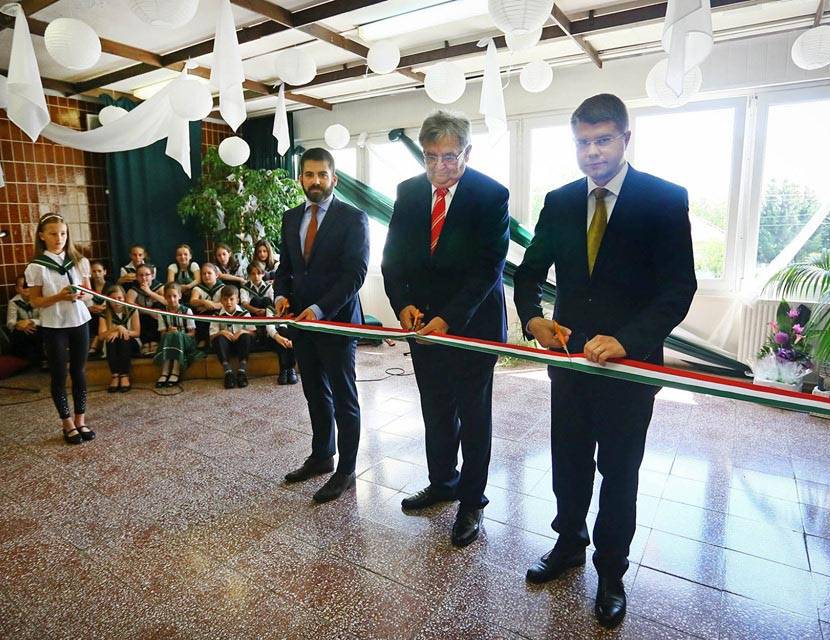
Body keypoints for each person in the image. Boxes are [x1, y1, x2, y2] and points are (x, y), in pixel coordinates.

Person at [513, 94, 697, 629]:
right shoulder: (560, 201)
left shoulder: (663, 200)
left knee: (618, 472)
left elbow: (678, 289)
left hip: (629, 371)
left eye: (602, 140)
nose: (592, 152)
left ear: (625, 139)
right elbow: (528, 274)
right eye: (582, 142)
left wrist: (627, 340)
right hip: (569, 363)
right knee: (568, 463)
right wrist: (533, 319)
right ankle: (569, 543)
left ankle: (611, 571)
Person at [381, 110, 509, 547]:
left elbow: (488, 269)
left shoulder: (491, 195)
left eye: (450, 157)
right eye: (431, 157)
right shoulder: (408, 191)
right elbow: (393, 257)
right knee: (435, 409)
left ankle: (471, 500)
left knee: (473, 416)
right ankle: (442, 483)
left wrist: (449, 318)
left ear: (467, 152)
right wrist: (402, 303)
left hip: (473, 326)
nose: (440, 166)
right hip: (423, 326)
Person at [276, 147, 369, 504]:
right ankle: (321, 456)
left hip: (337, 322)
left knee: (344, 398)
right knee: (314, 391)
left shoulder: (353, 218)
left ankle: (346, 470)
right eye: (309, 174)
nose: (315, 181)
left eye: (322, 175)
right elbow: (286, 268)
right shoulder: (290, 217)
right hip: (301, 324)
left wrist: (319, 309)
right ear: (300, 178)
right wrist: (281, 295)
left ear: (334, 179)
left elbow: (355, 275)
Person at [24, 213, 95, 445]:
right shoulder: (37, 267)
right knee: (59, 374)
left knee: (79, 371)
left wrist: (82, 295)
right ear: (42, 236)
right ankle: (67, 423)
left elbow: (90, 293)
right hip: (54, 325)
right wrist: (59, 296)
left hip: (79, 321)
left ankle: (80, 419)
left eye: (63, 233)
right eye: (53, 234)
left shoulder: (79, 261)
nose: (59, 238)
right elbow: (35, 301)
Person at [209, 285, 254, 389]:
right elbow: (211, 337)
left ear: (237, 300)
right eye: (225, 299)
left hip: (240, 346)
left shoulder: (244, 313)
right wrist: (221, 332)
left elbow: (253, 333)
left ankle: (241, 372)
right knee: (218, 339)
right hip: (226, 347)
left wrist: (242, 331)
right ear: (221, 300)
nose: (228, 302)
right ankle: (228, 373)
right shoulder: (216, 315)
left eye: (231, 299)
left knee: (246, 336)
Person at [154, 282, 197, 388]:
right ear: (165, 297)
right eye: (169, 296)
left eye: (174, 296)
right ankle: (165, 371)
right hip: (168, 340)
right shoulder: (162, 313)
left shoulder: (187, 311)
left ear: (180, 296)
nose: (172, 299)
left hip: (186, 341)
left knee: (177, 336)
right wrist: (170, 332)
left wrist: (179, 334)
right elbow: (162, 334)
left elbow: (192, 333)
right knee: (169, 336)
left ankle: (175, 371)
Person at [99, 285, 139, 393]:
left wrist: (121, 332)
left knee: (122, 337)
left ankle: (124, 375)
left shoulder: (132, 310)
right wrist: (116, 328)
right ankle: (115, 375)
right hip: (112, 346)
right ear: (108, 300)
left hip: (131, 343)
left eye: (120, 298)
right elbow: (101, 336)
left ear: (124, 298)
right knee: (110, 338)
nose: (117, 301)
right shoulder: (104, 313)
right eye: (113, 299)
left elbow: (136, 333)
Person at [125, 263, 165, 356]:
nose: (144, 278)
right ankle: (146, 343)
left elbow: (167, 301)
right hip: (143, 318)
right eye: (141, 275)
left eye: (147, 275)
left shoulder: (159, 287)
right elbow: (129, 304)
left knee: (159, 310)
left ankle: (155, 342)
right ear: (136, 277)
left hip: (157, 317)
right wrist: (149, 312)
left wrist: (150, 292)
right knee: (140, 315)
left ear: (152, 276)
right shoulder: (133, 289)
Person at [5, 276, 43, 365]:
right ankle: (25, 361)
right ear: (17, 289)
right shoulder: (13, 302)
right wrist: (18, 325)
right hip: (23, 331)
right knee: (20, 334)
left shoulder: (39, 299)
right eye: (22, 286)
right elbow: (10, 322)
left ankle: (41, 359)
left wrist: (31, 321)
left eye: (28, 286)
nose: (26, 289)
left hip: (38, 327)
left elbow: (45, 319)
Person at [86, 260, 109, 357]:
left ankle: (96, 341)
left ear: (105, 272)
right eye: (94, 271)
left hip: (106, 313)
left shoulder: (111, 286)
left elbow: (116, 302)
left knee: (101, 316)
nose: (97, 274)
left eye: (99, 271)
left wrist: (104, 308)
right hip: (90, 312)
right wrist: (88, 308)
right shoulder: (88, 286)